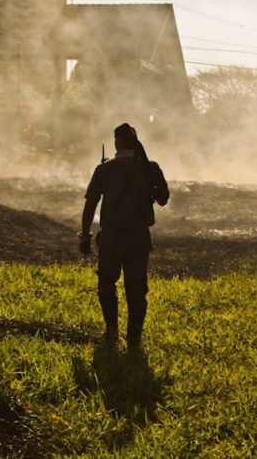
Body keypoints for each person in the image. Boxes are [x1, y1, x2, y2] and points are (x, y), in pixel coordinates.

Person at [79, 123, 169, 349]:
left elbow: (90, 204)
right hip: (138, 238)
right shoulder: (150, 168)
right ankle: (134, 340)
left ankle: (111, 331)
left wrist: (85, 235)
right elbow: (163, 199)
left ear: (117, 142)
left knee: (106, 284)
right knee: (136, 290)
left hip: (111, 238)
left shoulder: (104, 170)